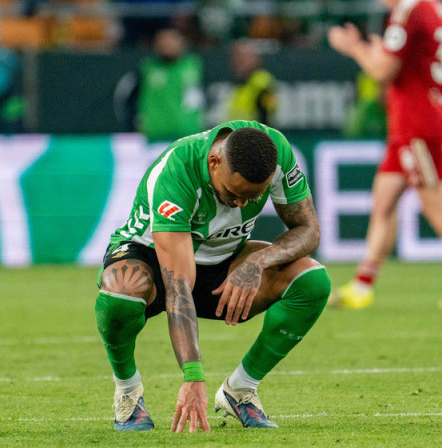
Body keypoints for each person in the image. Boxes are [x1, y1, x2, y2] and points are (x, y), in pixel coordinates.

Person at [94, 120, 330, 431]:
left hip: (222, 260)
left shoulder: (275, 152)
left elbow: (309, 230)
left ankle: (240, 390)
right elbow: (178, 285)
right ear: (213, 162)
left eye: (252, 197)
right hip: (153, 259)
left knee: (312, 281)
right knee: (122, 288)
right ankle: (128, 393)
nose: (241, 203)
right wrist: (193, 377)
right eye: (233, 193)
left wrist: (256, 262)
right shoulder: (177, 171)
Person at [326, 0, 442, 310]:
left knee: (435, 204)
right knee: (383, 201)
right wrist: (375, 50)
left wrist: (353, 48)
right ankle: (363, 285)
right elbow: (406, 61)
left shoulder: (409, 10)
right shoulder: (436, 8)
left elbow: (382, 71)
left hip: (418, 123)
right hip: (411, 122)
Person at [114, 28, 205, 141]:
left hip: (189, 134)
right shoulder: (146, 68)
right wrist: (134, 125)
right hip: (154, 136)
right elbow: (126, 98)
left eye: (171, 40)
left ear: (182, 43)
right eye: (162, 40)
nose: (166, 44)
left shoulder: (194, 66)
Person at [224, 39, 277, 125]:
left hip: (251, 136)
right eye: (236, 57)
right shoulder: (241, 83)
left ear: (255, 59)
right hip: (236, 135)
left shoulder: (262, 82)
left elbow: (266, 117)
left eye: (243, 57)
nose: (238, 61)